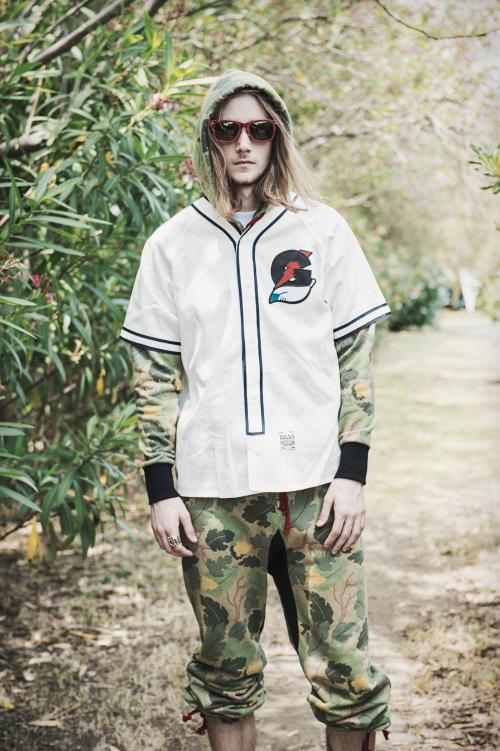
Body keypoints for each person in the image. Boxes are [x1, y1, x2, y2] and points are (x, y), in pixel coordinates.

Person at [119, 69, 392, 751]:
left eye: (259, 129)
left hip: (315, 488)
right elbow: (152, 378)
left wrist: (353, 473)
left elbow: (357, 360)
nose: (244, 143)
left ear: (278, 137)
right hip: (214, 493)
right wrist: (161, 488)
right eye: (229, 128)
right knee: (225, 672)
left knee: (347, 671)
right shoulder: (172, 245)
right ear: (209, 138)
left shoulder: (321, 230)